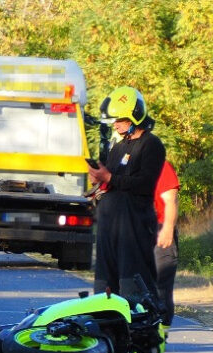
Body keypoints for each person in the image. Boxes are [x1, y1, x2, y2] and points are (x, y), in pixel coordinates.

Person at [87, 86, 164, 303]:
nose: (116, 124)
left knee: (133, 279)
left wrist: (109, 178)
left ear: (134, 116)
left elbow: (145, 184)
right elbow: (111, 179)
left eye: (120, 119)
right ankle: (106, 323)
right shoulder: (118, 147)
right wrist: (98, 179)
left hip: (133, 225)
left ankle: (139, 325)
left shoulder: (151, 144)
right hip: (109, 224)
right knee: (105, 280)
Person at [153, 159, 179, 328]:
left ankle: (162, 331)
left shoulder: (160, 165)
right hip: (134, 230)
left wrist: (168, 229)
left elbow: (171, 199)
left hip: (159, 229)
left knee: (160, 283)